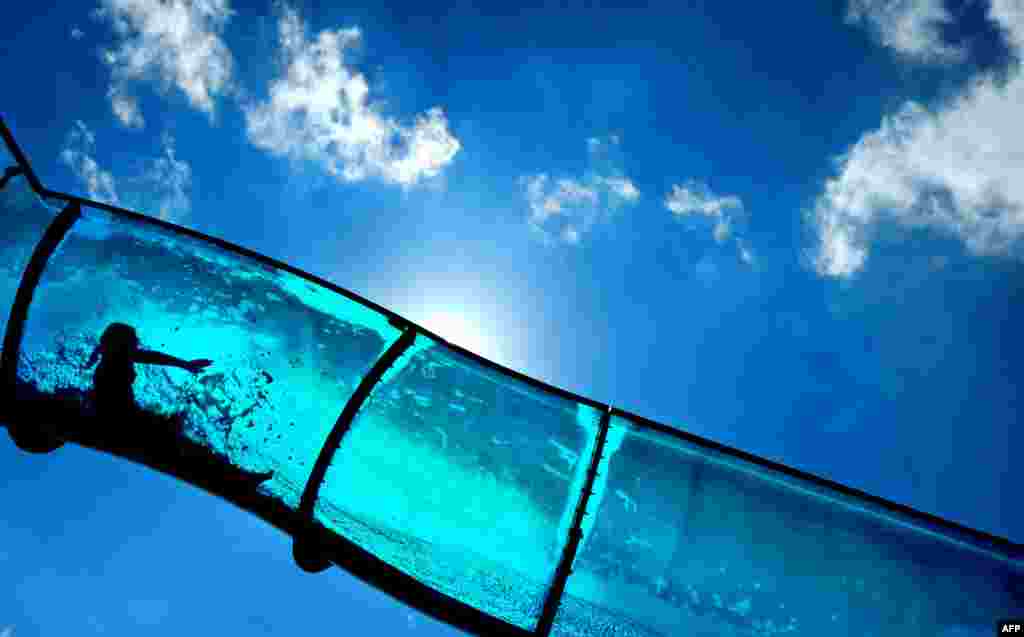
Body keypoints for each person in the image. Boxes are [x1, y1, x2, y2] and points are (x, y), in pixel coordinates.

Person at [84, 322, 212, 422]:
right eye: (134, 341)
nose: (137, 343)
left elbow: (155, 357)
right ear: (122, 344)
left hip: (108, 404)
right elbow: (156, 357)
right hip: (115, 409)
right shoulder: (121, 357)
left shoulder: (112, 353)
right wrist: (186, 364)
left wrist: (185, 364)